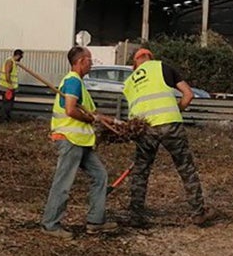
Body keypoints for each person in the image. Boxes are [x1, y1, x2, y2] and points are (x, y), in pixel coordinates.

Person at [122, 47, 211, 227]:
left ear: (135, 65)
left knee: (141, 171)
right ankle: (198, 213)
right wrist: (175, 110)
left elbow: (133, 113)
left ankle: (136, 216)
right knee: (185, 168)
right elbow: (188, 95)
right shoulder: (162, 67)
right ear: (150, 58)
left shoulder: (129, 82)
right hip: (170, 125)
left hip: (144, 129)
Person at [39, 46, 119, 239]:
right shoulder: (73, 81)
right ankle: (50, 224)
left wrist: (108, 120)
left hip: (81, 142)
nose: (91, 64)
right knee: (63, 182)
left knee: (100, 176)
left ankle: (95, 221)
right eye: (90, 60)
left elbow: (89, 112)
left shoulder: (79, 83)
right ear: (81, 61)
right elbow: (71, 110)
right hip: (70, 140)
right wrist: (92, 120)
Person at [0, 49, 23, 121]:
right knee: (7, 104)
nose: (21, 59)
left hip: (8, 86)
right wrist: (10, 85)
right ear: (18, 56)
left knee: (9, 103)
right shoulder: (10, 62)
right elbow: (7, 74)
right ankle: (3, 119)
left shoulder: (13, 62)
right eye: (21, 57)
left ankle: (6, 118)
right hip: (7, 87)